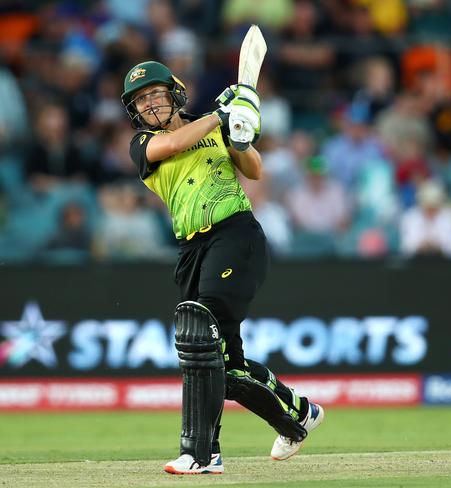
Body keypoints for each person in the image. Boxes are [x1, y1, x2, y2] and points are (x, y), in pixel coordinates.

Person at [121, 60, 324, 474]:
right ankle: (297, 415)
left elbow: (255, 171)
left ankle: (201, 453)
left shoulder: (215, 126)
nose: (149, 105)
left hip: (235, 234)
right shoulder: (142, 143)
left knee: (201, 339)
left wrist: (240, 136)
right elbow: (173, 146)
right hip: (191, 249)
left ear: (175, 93)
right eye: (141, 101)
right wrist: (222, 113)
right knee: (222, 365)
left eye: (155, 94)